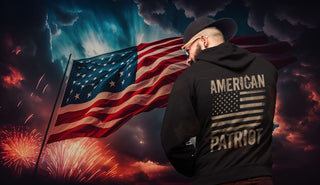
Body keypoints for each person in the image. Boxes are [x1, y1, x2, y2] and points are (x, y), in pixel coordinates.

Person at [161, 17, 277, 185]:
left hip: (212, 178)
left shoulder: (190, 78)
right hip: (261, 177)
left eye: (187, 51)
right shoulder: (267, 70)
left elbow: (173, 141)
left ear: (203, 40)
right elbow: (265, 123)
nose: (187, 59)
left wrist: (199, 168)